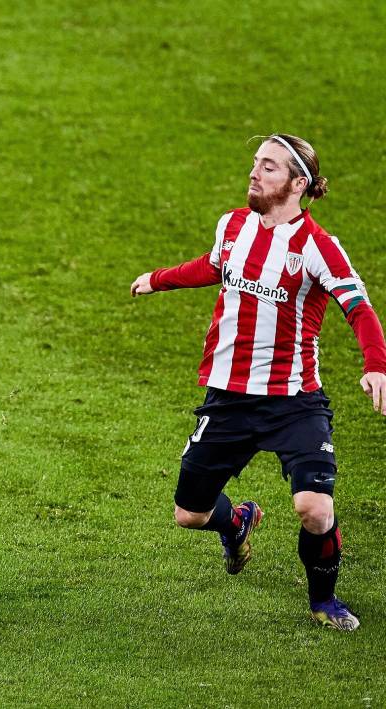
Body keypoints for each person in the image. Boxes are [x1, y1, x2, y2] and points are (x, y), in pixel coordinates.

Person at [130, 134, 386, 631]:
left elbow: (359, 309)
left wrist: (375, 363)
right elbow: (212, 266)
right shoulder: (234, 225)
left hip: (294, 401)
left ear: (298, 184)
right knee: (190, 514)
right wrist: (158, 278)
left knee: (314, 508)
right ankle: (238, 522)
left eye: (268, 167)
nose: (254, 173)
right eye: (255, 163)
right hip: (227, 399)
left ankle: (324, 600)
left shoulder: (318, 248)